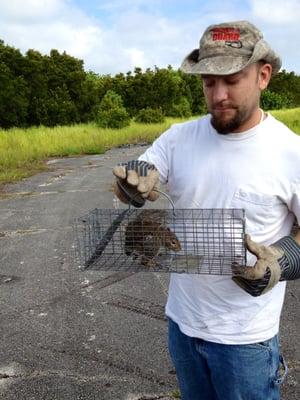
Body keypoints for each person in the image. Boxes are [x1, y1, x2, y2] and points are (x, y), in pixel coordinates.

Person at [112, 20, 300, 400]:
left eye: (232, 80)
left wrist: (283, 259)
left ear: (263, 76)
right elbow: (142, 171)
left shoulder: (290, 152)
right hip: (182, 326)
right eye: (208, 82)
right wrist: (132, 181)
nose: (218, 94)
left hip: (246, 341)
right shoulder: (180, 137)